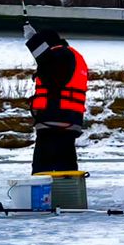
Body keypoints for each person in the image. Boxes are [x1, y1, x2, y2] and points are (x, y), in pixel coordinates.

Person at [24, 24, 87, 173]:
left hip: (55, 119)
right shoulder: (71, 56)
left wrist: (34, 40)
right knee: (66, 167)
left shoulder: (61, 55)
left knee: (43, 169)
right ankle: (69, 187)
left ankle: (50, 188)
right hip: (66, 119)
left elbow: (50, 69)